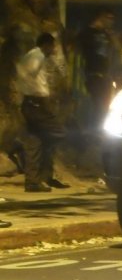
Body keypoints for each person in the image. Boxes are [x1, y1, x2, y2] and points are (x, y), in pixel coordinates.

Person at [16, 32, 69, 192]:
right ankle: (41, 173)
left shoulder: (34, 56)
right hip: (36, 103)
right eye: (52, 46)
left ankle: (34, 181)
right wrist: (40, 95)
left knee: (35, 141)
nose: (53, 49)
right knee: (59, 133)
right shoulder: (37, 56)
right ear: (46, 45)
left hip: (31, 103)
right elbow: (29, 75)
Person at [78, 9, 117, 132]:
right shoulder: (87, 33)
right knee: (97, 105)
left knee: (105, 105)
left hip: (105, 74)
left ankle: (101, 130)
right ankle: (93, 131)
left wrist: (110, 35)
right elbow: (78, 51)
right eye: (109, 18)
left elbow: (117, 47)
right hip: (93, 74)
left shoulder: (105, 33)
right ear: (100, 17)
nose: (111, 22)